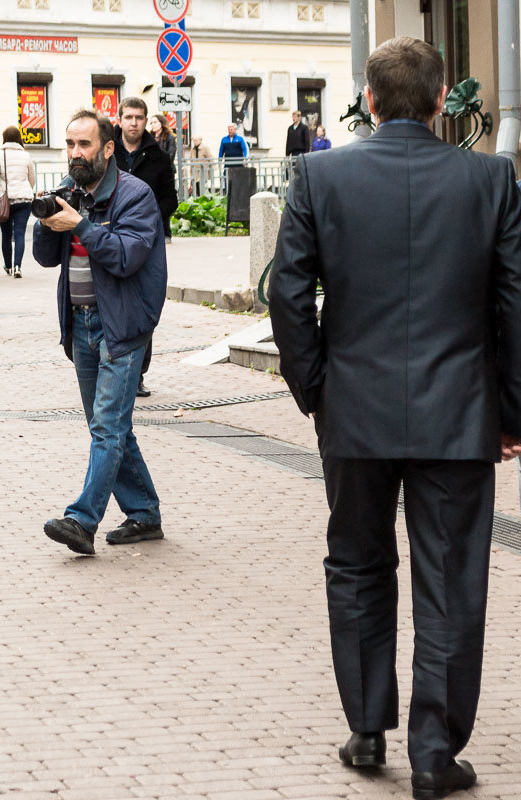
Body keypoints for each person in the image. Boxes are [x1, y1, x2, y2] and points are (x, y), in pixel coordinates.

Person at [269, 36, 521, 800]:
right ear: (442, 100)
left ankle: (367, 727)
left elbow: (284, 295)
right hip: (458, 415)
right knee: (450, 580)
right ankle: (435, 753)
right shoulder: (491, 179)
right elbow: (513, 305)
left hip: (355, 413)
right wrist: (511, 412)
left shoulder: (319, 174)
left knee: (357, 567)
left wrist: (318, 388)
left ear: (369, 101)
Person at [33, 110, 167, 556]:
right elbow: (45, 259)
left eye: (84, 145)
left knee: (107, 428)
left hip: (122, 327)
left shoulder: (135, 196)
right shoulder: (71, 194)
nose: (75, 154)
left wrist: (82, 226)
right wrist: (47, 219)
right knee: (110, 427)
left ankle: (82, 520)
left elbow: (128, 257)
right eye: (69, 144)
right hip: (81, 325)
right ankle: (144, 513)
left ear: (107, 149)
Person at [114, 96, 177, 398]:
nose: (134, 123)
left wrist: (149, 217)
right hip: (110, 238)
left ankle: (138, 372)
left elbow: (171, 199)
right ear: (120, 119)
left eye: (139, 117)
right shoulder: (106, 152)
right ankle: (111, 365)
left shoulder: (158, 157)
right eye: (129, 117)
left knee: (144, 305)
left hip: (146, 242)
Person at [0, 126, 35, 278]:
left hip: (5, 200)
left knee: (5, 234)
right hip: (23, 199)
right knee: (20, 234)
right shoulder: (26, 155)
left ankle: (8, 266)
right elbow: (32, 178)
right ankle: (18, 266)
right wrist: (26, 190)